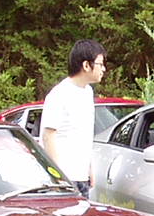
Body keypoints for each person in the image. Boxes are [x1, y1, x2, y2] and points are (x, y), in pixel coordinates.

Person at [40, 38, 107, 196]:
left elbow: (83, 134)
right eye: (100, 64)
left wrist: (89, 167)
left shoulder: (87, 92)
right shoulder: (59, 94)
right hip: (64, 179)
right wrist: (58, 177)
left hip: (81, 177)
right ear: (86, 65)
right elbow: (48, 136)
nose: (103, 69)